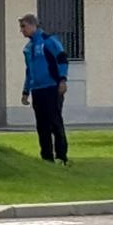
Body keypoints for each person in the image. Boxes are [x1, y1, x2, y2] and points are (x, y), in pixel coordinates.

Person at [19, 12, 69, 164]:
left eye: (23, 26)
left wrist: (62, 80)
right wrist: (26, 91)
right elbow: (29, 71)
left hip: (52, 87)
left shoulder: (49, 41)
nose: (22, 30)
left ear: (33, 25)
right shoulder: (28, 48)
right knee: (42, 125)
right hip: (38, 90)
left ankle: (61, 156)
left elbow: (62, 59)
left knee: (55, 122)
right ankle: (46, 157)